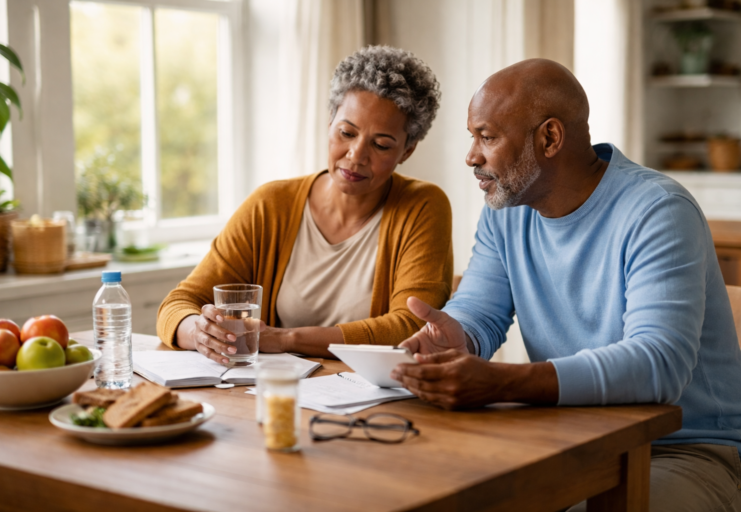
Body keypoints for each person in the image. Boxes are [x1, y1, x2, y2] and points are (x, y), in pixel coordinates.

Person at [390, 58, 741, 511]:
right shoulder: (506, 210)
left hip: (683, 449)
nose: (471, 156)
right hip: (567, 435)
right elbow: (479, 310)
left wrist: (504, 383)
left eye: (487, 136)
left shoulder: (658, 210)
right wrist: (455, 336)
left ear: (550, 138)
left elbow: (659, 365)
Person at [157, 46, 453, 361]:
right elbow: (178, 304)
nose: (356, 156)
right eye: (346, 133)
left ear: (407, 151)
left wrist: (285, 339)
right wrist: (198, 331)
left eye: (381, 145)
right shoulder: (270, 205)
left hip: (374, 400)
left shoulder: (423, 206)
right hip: (276, 392)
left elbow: (410, 327)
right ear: (329, 122)